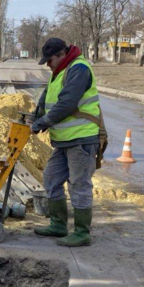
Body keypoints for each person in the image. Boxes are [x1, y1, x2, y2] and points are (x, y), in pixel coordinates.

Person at [29, 38, 101, 247]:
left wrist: (42, 123)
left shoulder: (78, 68)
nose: (48, 64)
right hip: (63, 141)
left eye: (49, 60)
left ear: (61, 54)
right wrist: (35, 117)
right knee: (51, 178)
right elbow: (46, 100)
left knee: (79, 184)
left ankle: (81, 232)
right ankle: (58, 224)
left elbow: (67, 103)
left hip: (81, 138)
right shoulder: (59, 71)